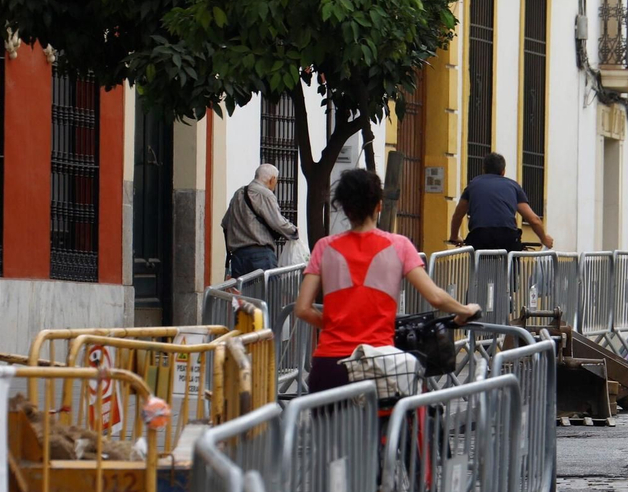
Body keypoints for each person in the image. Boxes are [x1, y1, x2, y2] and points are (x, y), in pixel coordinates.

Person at [297, 169, 482, 392]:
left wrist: (338, 324)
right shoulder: (399, 246)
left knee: (329, 427)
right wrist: (464, 310)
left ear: (344, 208)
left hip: (329, 366)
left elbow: (302, 309)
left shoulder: (324, 247)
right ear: (379, 205)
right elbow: (435, 297)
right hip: (378, 364)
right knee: (394, 424)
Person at [448, 153, 553, 252]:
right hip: (507, 237)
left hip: (480, 236)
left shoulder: (473, 185)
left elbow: (458, 215)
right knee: (512, 265)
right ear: (503, 171)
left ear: (484, 169)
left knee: (481, 266)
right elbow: (534, 220)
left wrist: (454, 237)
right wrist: (544, 239)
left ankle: (481, 271)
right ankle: (512, 271)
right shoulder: (513, 187)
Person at [221, 163, 300, 277]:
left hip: (238, 257)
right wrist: (294, 231)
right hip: (260, 255)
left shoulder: (238, 193)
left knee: (243, 294)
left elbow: (225, 223)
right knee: (269, 292)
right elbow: (278, 223)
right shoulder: (265, 194)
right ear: (272, 179)